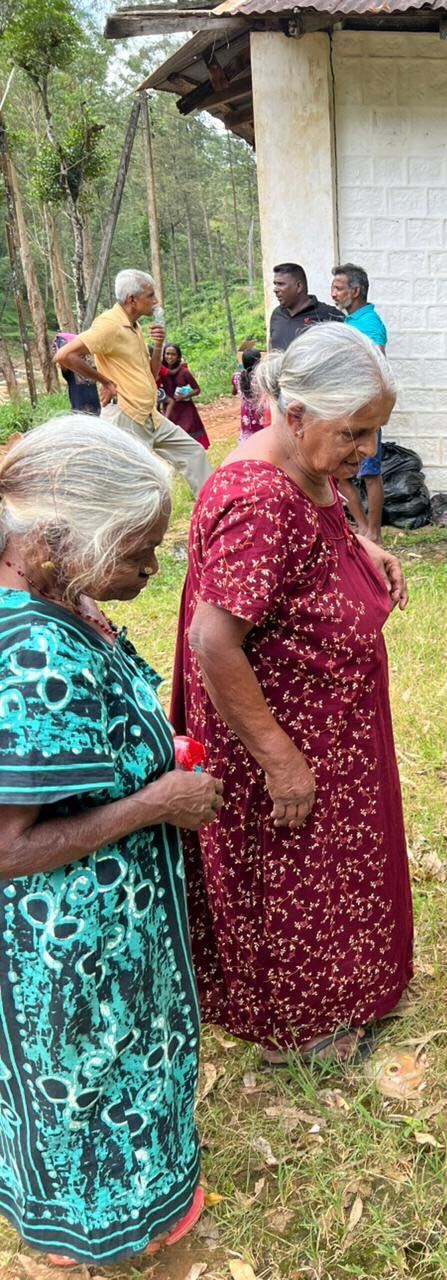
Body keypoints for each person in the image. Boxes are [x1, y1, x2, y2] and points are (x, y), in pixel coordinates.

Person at [0, 417, 223, 1266]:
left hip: (114, 924)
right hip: (64, 947)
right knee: (82, 1083)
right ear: (60, 541)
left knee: (129, 1066)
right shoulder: (25, 652)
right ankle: (85, 1232)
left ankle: (144, 1199)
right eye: (137, 553)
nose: (151, 569)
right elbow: (5, 848)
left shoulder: (65, 598)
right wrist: (157, 801)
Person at [171, 323, 413, 1067]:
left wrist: (359, 545)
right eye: (355, 433)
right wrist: (279, 758)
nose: (367, 452)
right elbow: (214, 642)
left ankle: (338, 992)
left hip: (322, 718)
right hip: (279, 727)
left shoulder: (301, 466)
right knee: (292, 874)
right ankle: (300, 1030)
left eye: (375, 432)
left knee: (329, 866)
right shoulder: (257, 502)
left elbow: (322, 500)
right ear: (297, 413)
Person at [54, 270, 212, 499]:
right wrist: (105, 381)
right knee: (132, 485)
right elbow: (65, 355)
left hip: (149, 413)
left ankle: (214, 514)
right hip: (126, 416)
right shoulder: (109, 325)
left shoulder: (133, 326)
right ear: (132, 300)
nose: (156, 301)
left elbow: (150, 372)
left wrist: (158, 346)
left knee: (194, 453)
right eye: (150, 295)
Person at [331, 263, 388, 542]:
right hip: (345, 410)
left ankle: (373, 533)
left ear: (354, 291)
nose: (333, 294)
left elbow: (378, 365)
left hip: (364, 411)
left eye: (338, 288)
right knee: (339, 471)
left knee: (369, 472)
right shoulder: (349, 322)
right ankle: (363, 526)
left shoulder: (370, 323)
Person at [269, 262, 342, 353]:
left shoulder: (329, 316)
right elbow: (272, 347)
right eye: (275, 284)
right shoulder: (277, 314)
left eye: (281, 284)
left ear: (299, 286)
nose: (275, 289)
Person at [158, 344, 210, 450]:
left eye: (173, 354)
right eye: (167, 354)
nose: (170, 357)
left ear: (178, 357)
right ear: (163, 355)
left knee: (192, 443)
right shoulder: (161, 371)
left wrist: (185, 395)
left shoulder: (184, 372)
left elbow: (197, 389)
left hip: (187, 412)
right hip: (170, 411)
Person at [51, 331, 100, 415]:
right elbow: (59, 358)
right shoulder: (69, 370)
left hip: (96, 411)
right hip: (78, 413)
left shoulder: (91, 368)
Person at [231, 347, 266, 441]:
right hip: (260, 411)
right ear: (259, 362)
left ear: (243, 362)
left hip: (246, 413)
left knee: (248, 435)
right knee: (262, 436)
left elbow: (233, 392)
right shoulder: (261, 377)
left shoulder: (236, 377)